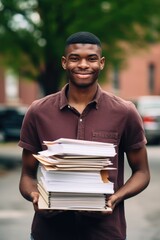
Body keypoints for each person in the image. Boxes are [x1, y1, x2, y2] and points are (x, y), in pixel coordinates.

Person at [19, 31, 150, 240]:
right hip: (49, 233)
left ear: (102, 63)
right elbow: (26, 175)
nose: (83, 65)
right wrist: (36, 196)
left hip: (105, 233)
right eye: (74, 58)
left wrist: (115, 198)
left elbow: (142, 172)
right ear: (64, 62)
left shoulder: (124, 112)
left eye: (91, 58)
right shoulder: (38, 111)